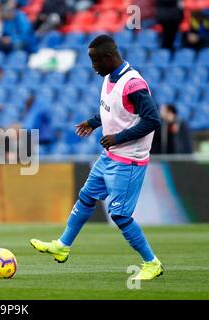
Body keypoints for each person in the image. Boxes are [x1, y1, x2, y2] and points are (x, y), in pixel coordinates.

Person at [30, 35, 163, 281]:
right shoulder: (108, 77)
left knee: (120, 215)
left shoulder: (134, 84)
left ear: (109, 57)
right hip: (110, 155)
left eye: (94, 61)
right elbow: (113, 109)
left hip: (129, 159)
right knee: (86, 196)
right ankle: (62, 245)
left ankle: (152, 263)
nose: (92, 66)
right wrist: (92, 123)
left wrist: (119, 138)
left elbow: (153, 119)